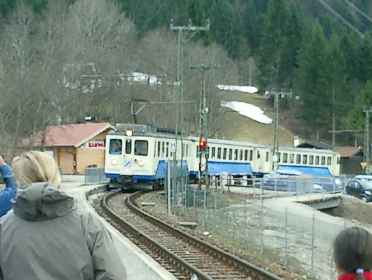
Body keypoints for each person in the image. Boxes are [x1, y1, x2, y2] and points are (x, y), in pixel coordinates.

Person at [0, 151, 126, 280]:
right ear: (56, 176)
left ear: (19, 180)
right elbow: (114, 276)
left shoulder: (3, 227)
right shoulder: (86, 223)